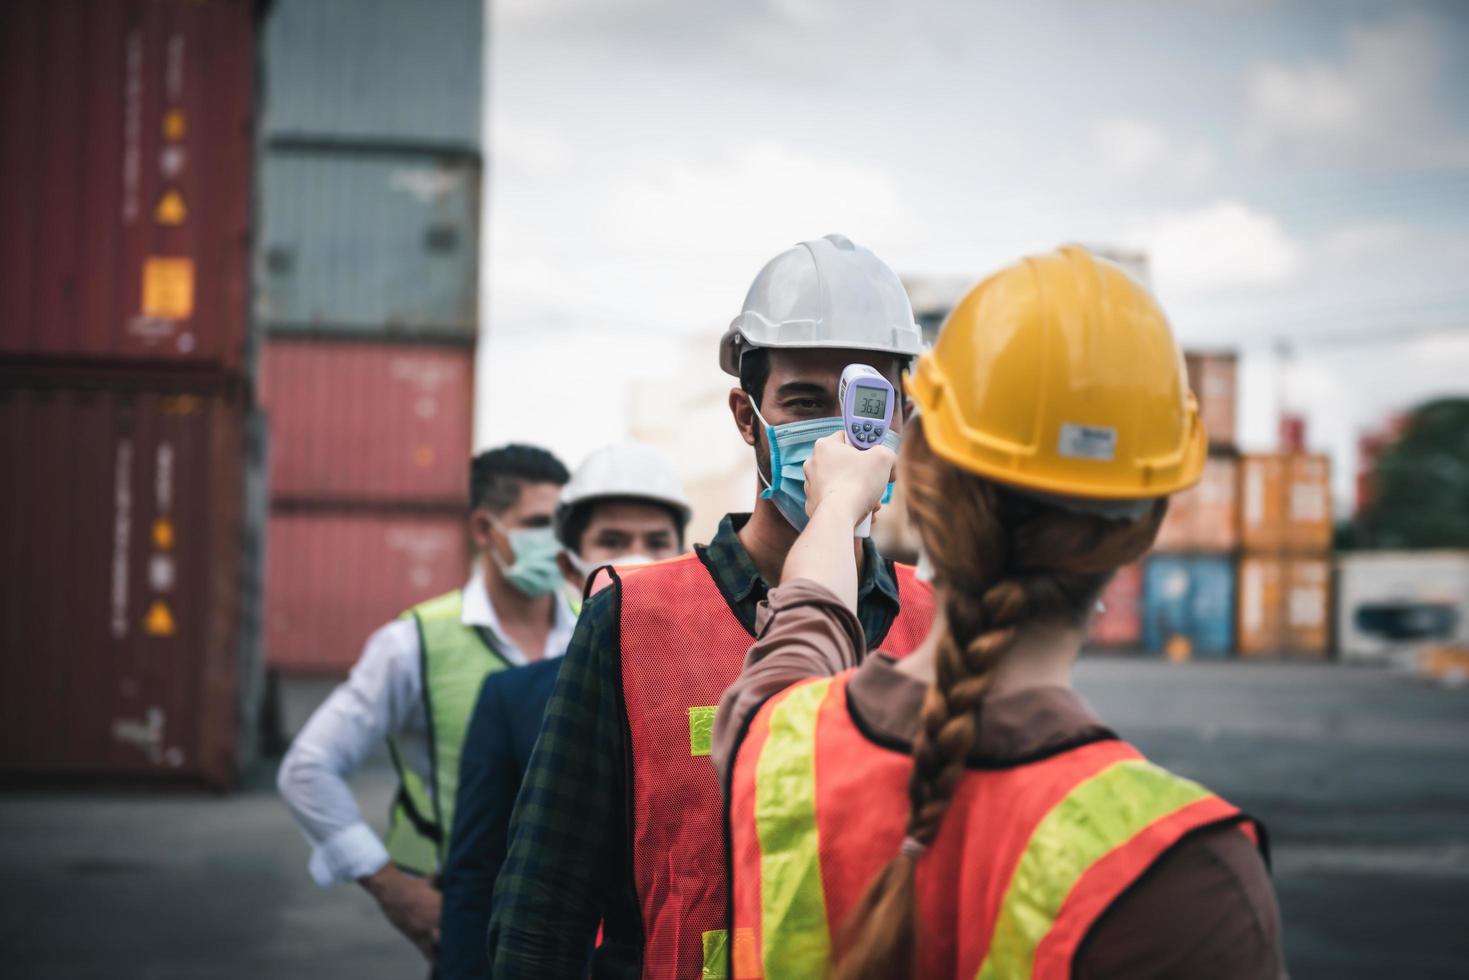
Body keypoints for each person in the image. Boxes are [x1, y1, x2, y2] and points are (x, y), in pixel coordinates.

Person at [714, 246, 1286, 979]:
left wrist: (835, 509)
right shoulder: (1188, 874)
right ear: (1141, 527)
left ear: (915, 471)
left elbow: (806, 626)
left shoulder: (774, 743)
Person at [488, 234, 937, 978]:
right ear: (743, 416)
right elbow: (543, 907)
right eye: (802, 402)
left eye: (861, 404)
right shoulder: (631, 620)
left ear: (898, 419)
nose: (834, 440)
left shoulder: (936, 621)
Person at [278, 444, 577, 965]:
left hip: (578, 913)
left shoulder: (594, 625)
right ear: (484, 530)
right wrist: (391, 886)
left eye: (563, 523)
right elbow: (307, 768)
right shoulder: (412, 642)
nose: (555, 543)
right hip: (467, 909)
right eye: (537, 523)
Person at [439, 442, 693, 980]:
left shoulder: (721, 688)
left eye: (656, 542)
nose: (637, 558)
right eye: (612, 541)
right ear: (569, 564)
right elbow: (477, 877)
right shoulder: (510, 700)